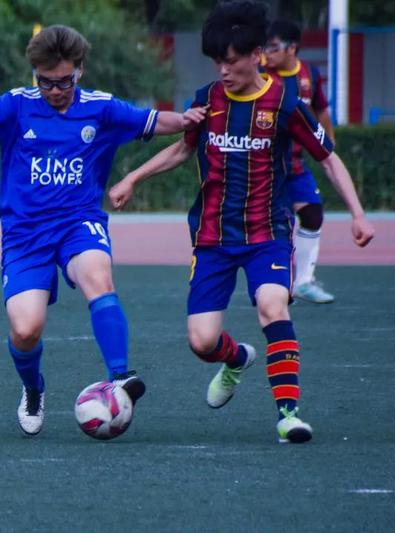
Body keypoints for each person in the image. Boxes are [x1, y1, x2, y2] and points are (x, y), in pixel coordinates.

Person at [0, 25, 205, 436]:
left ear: (80, 71)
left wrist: (186, 118)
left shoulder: (101, 108)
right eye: (46, 82)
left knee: (98, 275)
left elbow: (154, 120)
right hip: (24, 235)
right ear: (35, 75)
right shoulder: (16, 105)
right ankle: (33, 388)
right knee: (26, 330)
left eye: (64, 81)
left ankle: (120, 377)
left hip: (78, 222)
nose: (55, 90)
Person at [109, 0, 374, 443]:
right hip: (212, 237)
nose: (223, 70)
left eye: (231, 61)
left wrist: (358, 214)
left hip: (267, 234)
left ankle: (288, 416)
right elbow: (182, 148)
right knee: (202, 342)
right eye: (217, 62)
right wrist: (133, 177)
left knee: (273, 305)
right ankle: (236, 360)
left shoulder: (286, 104)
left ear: (256, 55)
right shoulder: (207, 100)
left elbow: (328, 158)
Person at [263, 19, 336, 303]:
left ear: (292, 48)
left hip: (295, 165)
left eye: (273, 47)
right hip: (266, 166)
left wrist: (329, 145)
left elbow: (321, 110)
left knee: (313, 214)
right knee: (278, 224)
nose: (267, 53)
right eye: (265, 47)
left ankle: (303, 281)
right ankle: (278, 282)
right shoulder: (260, 74)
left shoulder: (310, 75)